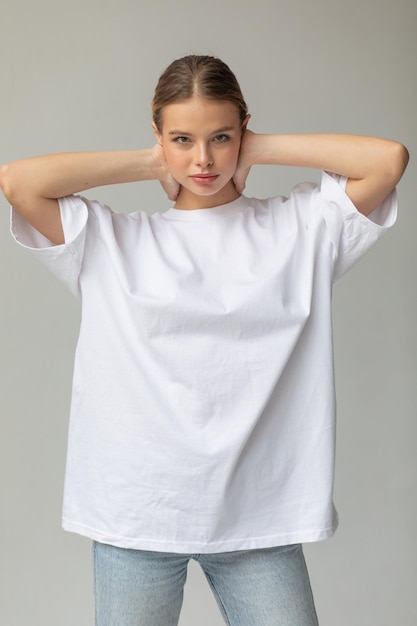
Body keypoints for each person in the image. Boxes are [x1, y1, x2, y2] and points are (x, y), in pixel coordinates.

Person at [0, 55, 408, 626]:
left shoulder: (301, 229)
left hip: (256, 517)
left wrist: (257, 147)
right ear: (158, 135)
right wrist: (152, 161)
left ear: (243, 126)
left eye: (221, 137)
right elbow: (18, 182)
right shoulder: (113, 241)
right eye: (182, 139)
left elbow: (388, 161)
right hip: (137, 514)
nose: (203, 159)